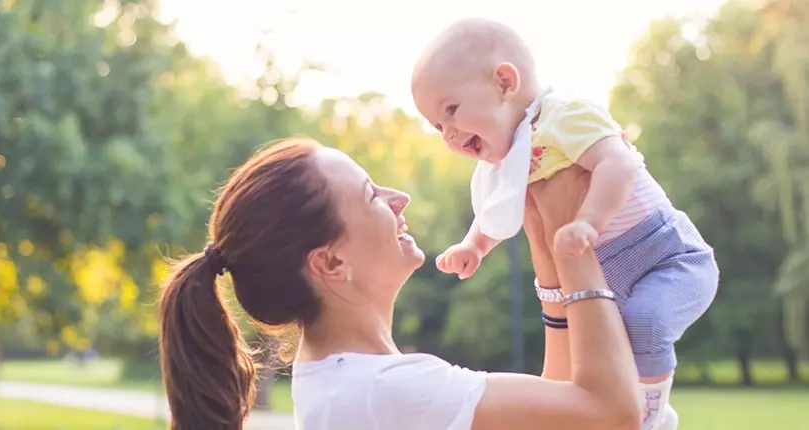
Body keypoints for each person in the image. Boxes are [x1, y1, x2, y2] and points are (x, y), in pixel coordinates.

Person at [158, 136, 643, 430]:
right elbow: (612, 415)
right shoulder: (387, 390)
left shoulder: (347, 380)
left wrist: (543, 239)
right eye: (371, 194)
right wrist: (574, 239)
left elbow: (563, 416)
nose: (399, 198)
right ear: (331, 262)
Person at [410, 18, 720, 429]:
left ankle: (650, 414)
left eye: (451, 111)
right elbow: (497, 211)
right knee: (596, 362)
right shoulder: (507, 157)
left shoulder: (564, 116)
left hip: (664, 255)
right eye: (438, 126)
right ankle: (649, 408)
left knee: (646, 323)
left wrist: (589, 221)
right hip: (606, 278)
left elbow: (618, 163)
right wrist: (475, 245)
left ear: (505, 82)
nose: (448, 134)